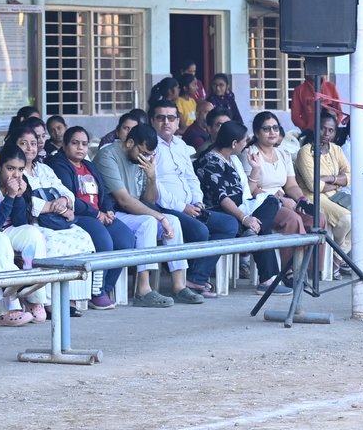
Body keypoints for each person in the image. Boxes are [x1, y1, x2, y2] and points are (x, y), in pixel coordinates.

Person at [0, 148, 96, 319]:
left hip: (5, 229)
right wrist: (10, 197)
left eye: (20, 169)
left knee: (33, 234)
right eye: (10, 168)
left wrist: (19, 197)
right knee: (1, 241)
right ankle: (7, 309)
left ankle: (35, 300)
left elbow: (20, 222)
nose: (16, 175)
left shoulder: (23, 182)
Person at [196, 121, 306, 293]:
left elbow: (245, 191)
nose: (247, 144)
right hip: (221, 211)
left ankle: (252, 232)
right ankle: (267, 280)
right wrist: (245, 218)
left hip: (242, 207)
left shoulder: (232, 159)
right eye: (244, 141)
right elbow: (223, 199)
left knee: (271, 201)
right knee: (263, 229)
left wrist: (255, 169)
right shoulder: (209, 162)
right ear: (234, 144)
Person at [90, 123, 190, 308]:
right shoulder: (108, 155)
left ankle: (179, 286)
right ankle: (143, 290)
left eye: (149, 154)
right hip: (113, 213)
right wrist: (160, 217)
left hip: (134, 212)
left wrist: (152, 177)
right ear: (130, 143)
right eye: (143, 152)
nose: (146, 157)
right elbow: (124, 200)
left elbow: (148, 200)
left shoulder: (141, 160)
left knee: (174, 221)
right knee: (148, 222)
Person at [148, 97, 237, 296]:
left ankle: (195, 278)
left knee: (229, 224)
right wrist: (183, 207)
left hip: (192, 206)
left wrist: (197, 201)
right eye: (160, 118)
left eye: (171, 118)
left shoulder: (181, 145)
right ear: (152, 121)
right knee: (199, 231)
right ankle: (191, 279)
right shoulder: (150, 147)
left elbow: (191, 177)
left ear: (178, 122)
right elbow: (155, 187)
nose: (166, 122)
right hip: (166, 209)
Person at [47, 126, 135, 309]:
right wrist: (97, 214)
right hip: (78, 215)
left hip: (99, 214)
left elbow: (104, 192)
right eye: (75, 143)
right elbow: (70, 198)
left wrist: (108, 210)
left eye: (84, 144)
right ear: (65, 145)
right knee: (105, 241)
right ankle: (97, 292)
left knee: (126, 239)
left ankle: (106, 287)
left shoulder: (88, 165)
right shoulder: (58, 165)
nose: (80, 147)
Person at [295, 109, 353, 257]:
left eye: (331, 130)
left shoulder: (336, 149)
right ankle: (338, 256)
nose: (326, 134)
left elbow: (350, 177)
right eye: (322, 129)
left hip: (336, 194)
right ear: (315, 128)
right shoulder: (305, 152)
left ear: (335, 133)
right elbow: (313, 186)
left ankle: (337, 258)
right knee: (347, 219)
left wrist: (330, 179)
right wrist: (339, 182)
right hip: (314, 198)